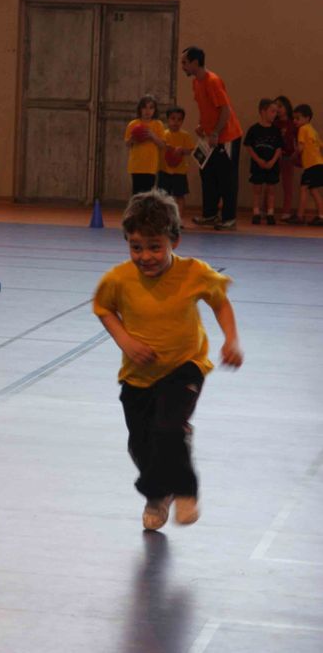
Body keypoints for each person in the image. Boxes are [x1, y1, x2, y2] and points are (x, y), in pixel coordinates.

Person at [93, 189, 243, 531]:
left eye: (154, 246)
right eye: (136, 247)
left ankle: (186, 492)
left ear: (173, 240)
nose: (145, 256)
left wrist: (231, 339)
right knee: (140, 444)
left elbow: (219, 301)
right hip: (138, 375)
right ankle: (158, 495)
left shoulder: (194, 273)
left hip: (184, 366)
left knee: (167, 428)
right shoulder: (118, 279)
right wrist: (126, 341)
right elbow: (104, 309)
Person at [181, 46, 242, 231]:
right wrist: (203, 126)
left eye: (185, 62)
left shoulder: (213, 81)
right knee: (207, 174)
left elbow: (225, 110)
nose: (182, 66)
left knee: (227, 178)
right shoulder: (196, 83)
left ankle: (229, 218)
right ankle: (209, 214)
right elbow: (207, 108)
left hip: (227, 137)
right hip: (209, 138)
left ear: (195, 63)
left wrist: (215, 132)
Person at [244, 98, 283, 225]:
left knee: (271, 190)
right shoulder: (254, 129)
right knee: (257, 190)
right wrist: (258, 160)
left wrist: (272, 161)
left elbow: (279, 148)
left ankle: (270, 213)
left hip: (272, 165)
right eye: (272, 111)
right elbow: (248, 146)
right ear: (263, 111)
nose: (275, 114)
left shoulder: (276, 130)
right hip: (257, 165)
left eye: (276, 112)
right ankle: (256, 213)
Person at [157, 106, 194, 223]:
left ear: (182, 121)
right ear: (168, 120)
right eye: (173, 119)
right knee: (162, 197)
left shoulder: (185, 135)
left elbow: (191, 150)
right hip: (164, 171)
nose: (176, 122)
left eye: (179, 119)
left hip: (180, 172)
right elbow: (158, 146)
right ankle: (163, 219)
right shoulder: (163, 134)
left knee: (180, 196)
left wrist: (182, 150)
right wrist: (166, 147)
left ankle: (178, 220)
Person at [288, 104, 323, 226]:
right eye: (294, 118)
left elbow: (301, 148)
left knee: (303, 189)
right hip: (319, 164)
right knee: (313, 190)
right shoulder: (313, 130)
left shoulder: (302, 129)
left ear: (307, 118)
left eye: (298, 118)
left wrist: (293, 155)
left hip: (311, 166)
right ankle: (321, 216)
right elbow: (320, 146)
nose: (295, 121)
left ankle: (300, 216)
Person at [124, 95, 165, 195]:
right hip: (136, 166)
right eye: (144, 107)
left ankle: (147, 211)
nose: (147, 111)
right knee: (136, 194)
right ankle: (136, 211)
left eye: (151, 107)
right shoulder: (133, 124)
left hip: (150, 166)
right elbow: (127, 143)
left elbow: (162, 145)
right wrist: (133, 139)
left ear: (155, 110)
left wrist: (152, 136)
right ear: (140, 109)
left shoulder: (158, 124)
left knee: (148, 194)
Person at [274, 96, 298, 222]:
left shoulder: (292, 123)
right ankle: (266, 209)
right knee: (270, 182)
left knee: (287, 184)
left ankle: (286, 211)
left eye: (280, 106)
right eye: (275, 106)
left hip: (288, 157)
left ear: (287, 108)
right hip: (274, 157)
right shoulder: (274, 123)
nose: (277, 109)